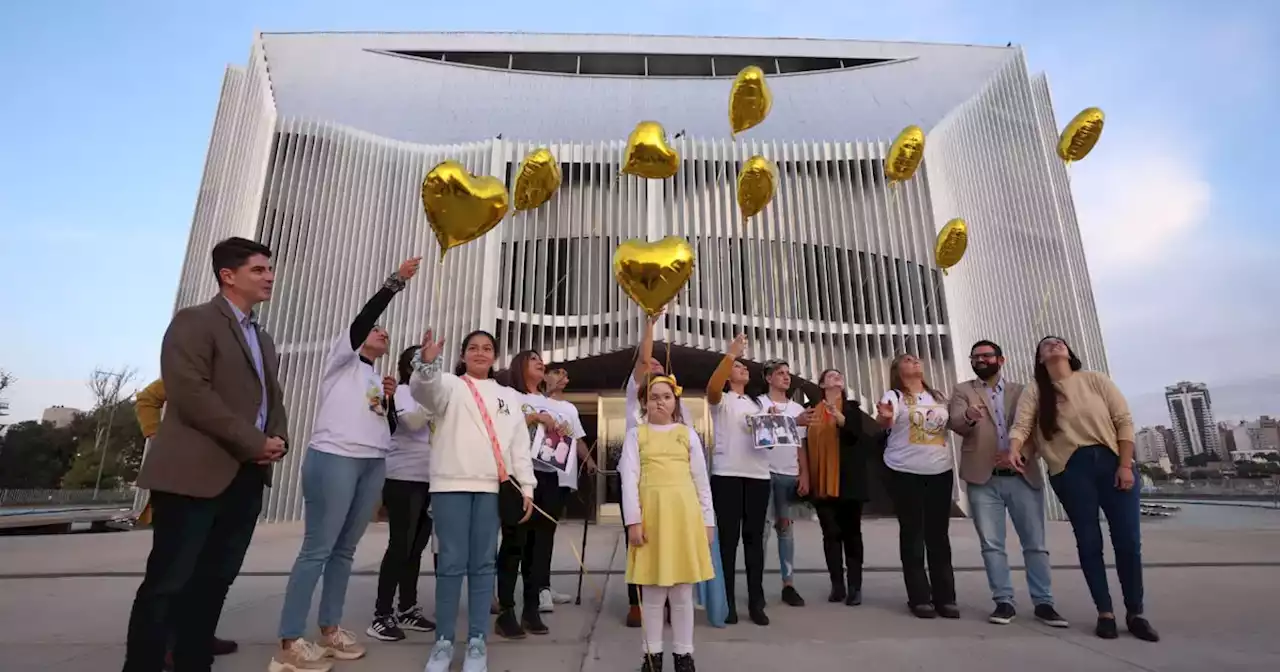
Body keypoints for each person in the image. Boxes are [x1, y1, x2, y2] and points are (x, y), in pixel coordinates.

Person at [124, 237, 289, 672]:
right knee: (169, 582)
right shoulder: (194, 322)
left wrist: (278, 438)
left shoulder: (263, 338)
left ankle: (193, 659)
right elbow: (191, 394)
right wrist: (254, 442)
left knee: (216, 579)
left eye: (269, 269)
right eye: (258, 270)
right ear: (228, 276)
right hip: (193, 474)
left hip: (246, 476)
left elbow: (271, 399)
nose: (269, 276)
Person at [272, 257, 422, 671]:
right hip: (335, 457)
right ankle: (289, 640)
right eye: (377, 330)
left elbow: (389, 429)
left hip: (373, 463)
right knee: (317, 549)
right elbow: (362, 321)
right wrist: (394, 284)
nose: (381, 332)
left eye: (386, 333)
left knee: (344, 550)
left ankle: (330, 628)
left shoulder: (378, 379)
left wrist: (391, 401)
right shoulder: (341, 360)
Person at [1009, 336, 1159, 642]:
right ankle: (1105, 612)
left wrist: (1126, 465)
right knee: (1089, 541)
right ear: (1039, 358)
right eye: (1046, 345)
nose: (1053, 345)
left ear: (1069, 352)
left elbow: (1123, 421)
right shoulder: (1036, 390)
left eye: (1058, 343)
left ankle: (1135, 612)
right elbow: (1022, 425)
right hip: (1070, 470)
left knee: (1128, 541)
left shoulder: (1095, 380)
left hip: (1112, 462)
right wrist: (1014, 448)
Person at [412, 329, 536, 672]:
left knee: (483, 565)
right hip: (450, 483)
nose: (480, 353)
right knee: (450, 564)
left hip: (491, 488)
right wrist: (427, 362)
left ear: (494, 356)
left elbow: (518, 446)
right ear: (463, 354)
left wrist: (527, 487)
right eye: (473, 348)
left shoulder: (509, 396)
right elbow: (424, 391)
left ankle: (478, 641)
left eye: (487, 348)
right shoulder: (449, 384)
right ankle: (443, 643)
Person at [948, 340, 1069, 628]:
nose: (980, 360)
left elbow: (1037, 429)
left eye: (986, 355)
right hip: (982, 477)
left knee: (1035, 544)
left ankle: (1044, 602)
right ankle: (1003, 601)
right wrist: (969, 416)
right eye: (975, 356)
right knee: (991, 544)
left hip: (1021, 474)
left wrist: (1021, 454)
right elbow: (954, 422)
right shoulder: (963, 390)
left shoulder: (1023, 391)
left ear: (1001, 360)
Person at [132, 378, 240, 670]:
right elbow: (146, 399)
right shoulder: (188, 372)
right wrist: (155, 433)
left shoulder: (236, 379)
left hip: (219, 476)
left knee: (208, 571)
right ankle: (167, 645)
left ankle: (196, 637)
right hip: (183, 478)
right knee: (177, 570)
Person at [620, 375, 716, 672]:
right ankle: (652, 655)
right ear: (644, 403)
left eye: (666, 396)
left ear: (675, 402)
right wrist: (633, 520)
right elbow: (629, 479)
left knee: (682, 592)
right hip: (652, 516)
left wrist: (707, 519)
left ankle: (684, 655)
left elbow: (701, 480)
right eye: (653, 397)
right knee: (652, 592)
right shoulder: (637, 436)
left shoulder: (686, 434)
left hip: (684, 517)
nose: (659, 401)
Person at [494, 350, 573, 638]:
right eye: (532, 359)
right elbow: (501, 427)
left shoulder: (548, 400)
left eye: (542, 360)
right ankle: (506, 610)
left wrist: (558, 428)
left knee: (538, 547)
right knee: (514, 543)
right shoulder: (507, 395)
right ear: (519, 366)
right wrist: (533, 418)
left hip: (548, 475)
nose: (541, 362)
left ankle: (531, 608)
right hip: (517, 477)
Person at [621, 311, 693, 627]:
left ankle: (669, 600)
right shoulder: (635, 397)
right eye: (649, 366)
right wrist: (650, 326)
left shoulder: (677, 406)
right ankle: (637, 603)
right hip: (641, 479)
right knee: (638, 541)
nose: (654, 367)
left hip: (674, 484)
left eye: (659, 368)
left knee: (671, 540)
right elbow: (644, 357)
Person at [876, 353, 958, 619]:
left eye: (916, 359)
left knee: (939, 535)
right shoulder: (894, 395)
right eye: (907, 360)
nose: (915, 362)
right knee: (913, 533)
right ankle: (919, 597)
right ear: (898, 369)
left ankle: (945, 597)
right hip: (905, 472)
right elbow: (885, 420)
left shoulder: (938, 396)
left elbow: (953, 423)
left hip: (940, 470)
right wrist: (886, 418)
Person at [366, 346, 438, 642]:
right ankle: (381, 615)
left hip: (431, 478)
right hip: (403, 477)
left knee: (416, 548)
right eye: (424, 362)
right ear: (410, 366)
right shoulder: (404, 392)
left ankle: (407, 608)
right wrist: (435, 405)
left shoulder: (431, 393)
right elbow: (413, 422)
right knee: (400, 545)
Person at [704, 334, 771, 626]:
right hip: (727, 474)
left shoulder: (759, 404)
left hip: (758, 474)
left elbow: (770, 437)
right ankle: (727, 602)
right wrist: (730, 354)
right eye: (738, 366)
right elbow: (712, 388)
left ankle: (756, 602)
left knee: (755, 541)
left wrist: (794, 425)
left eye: (745, 366)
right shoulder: (722, 401)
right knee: (728, 542)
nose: (743, 369)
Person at [798, 368, 868, 606]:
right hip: (822, 481)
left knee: (852, 534)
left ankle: (855, 586)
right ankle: (837, 585)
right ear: (822, 384)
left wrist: (840, 419)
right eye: (831, 375)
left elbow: (856, 437)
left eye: (840, 375)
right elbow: (804, 444)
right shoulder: (811, 411)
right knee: (830, 534)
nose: (837, 376)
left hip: (847, 482)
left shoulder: (852, 409)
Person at [539, 365, 598, 609]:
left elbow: (577, 438)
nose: (563, 377)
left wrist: (590, 461)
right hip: (541, 474)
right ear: (545, 376)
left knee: (548, 533)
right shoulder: (536, 402)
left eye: (565, 374)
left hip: (563, 478)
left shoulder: (569, 408)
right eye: (556, 373)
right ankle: (539, 589)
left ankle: (544, 586)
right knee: (538, 535)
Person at [756, 359, 807, 608]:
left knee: (786, 529)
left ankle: (789, 584)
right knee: (763, 529)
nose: (786, 377)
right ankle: (758, 587)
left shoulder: (798, 409)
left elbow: (801, 445)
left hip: (789, 473)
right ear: (768, 378)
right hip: (764, 472)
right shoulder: (759, 404)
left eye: (788, 373)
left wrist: (804, 474)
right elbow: (759, 436)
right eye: (780, 373)